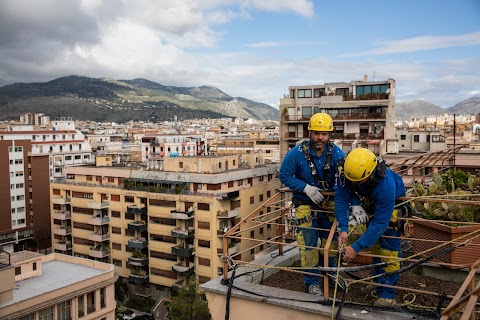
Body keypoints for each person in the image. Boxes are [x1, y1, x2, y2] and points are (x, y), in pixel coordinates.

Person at [279, 113, 345, 295]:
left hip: (328, 206)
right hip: (305, 206)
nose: (320, 138)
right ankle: (312, 281)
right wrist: (305, 187)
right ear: (310, 132)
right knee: (308, 245)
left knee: (330, 244)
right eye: (316, 133)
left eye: (324, 134)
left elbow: (345, 179)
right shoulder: (297, 154)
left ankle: (330, 275)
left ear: (330, 134)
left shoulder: (337, 153)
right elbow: (284, 175)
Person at [335, 147, 406, 307]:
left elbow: (381, 223)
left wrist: (356, 247)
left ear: (369, 173)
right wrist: (344, 229)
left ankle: (387, 295)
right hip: (370, 204)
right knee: (375, 248)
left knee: (389, 252)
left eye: (358, 182)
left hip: (391, 208)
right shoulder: (346, 172)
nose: (354, 183)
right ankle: (378, 282)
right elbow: (341, 198)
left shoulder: (385, 184)